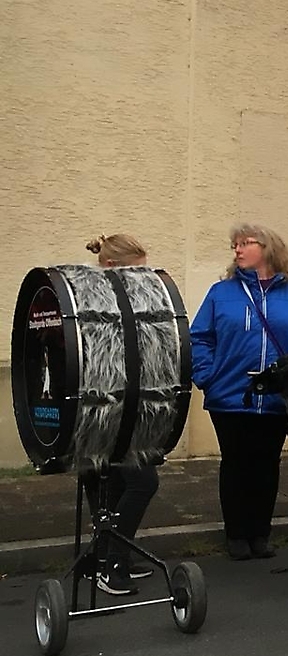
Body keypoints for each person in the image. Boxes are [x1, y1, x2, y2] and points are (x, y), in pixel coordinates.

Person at [190, 223, 288, 560]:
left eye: (244, 243)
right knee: (236, 463)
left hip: (279, 396)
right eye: (234, 244)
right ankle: (236, 534)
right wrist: (207, 377)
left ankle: (260, 533)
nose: (237, 250)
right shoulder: (222, 292)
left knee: (267, 464)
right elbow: (200, 338)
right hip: (231, 395)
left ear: (268, 247)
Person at [80, 234, 161, 595]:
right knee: (143, 482)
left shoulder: (124, 299)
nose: (141, 278)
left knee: (114, 486)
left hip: (123, 409)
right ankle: (112, 565)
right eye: (135, 270)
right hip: (101, 412)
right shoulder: (92, 299)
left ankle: (107, 559)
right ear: (112, 267)